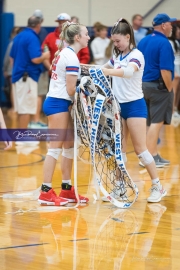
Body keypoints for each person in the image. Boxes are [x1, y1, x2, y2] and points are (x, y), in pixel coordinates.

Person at [101, 18, 166, 203]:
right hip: (118, 107)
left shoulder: (136, 55)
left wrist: (108, 72)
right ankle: (119, 187)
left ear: (128, 37)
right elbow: (102, 68)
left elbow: (128, 72)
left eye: (118, 41)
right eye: (113, 41)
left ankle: (157, 186)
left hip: (135, 106)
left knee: (141, 150)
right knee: (118, 150)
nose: (116, 44)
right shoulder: (117, 56)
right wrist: (83, 69)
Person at [38, 21, 90, 206]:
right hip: (58, 104)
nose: (88, 37)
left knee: (69, 146)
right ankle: (45, 191)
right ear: (77, 37)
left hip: (60, 103)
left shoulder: (65, 53)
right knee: (54, 148)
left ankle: (66, 189)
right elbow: (70, 89)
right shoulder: (71, 57)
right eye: (86, 34)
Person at [138, 13, 176, 166]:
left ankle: (150, 154)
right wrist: (170, 89)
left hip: (143, 85)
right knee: (157, 122)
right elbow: (165, 70)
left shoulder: (143, 41)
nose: (172, 27)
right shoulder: (164, 43)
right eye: (170, 24)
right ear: (164, 25)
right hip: (158, 86)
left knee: (148, 122)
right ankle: (150, 158)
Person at [10, 16, 50, 129]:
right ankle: (22, 136)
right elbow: (35, 59)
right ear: (38, 25)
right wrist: (45, 56)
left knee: (22, 107)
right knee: (26, 108)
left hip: (18, 76)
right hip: (27, 77)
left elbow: (11, 58)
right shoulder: (32, 37)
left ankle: (21, 134)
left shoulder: (18, 36)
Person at [28, 9, 49, 129]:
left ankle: (33, 120)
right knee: (39, 95)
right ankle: (35, 121)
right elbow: (43, 52)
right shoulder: (41, 32)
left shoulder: (26, 34)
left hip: (33, 70)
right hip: (39, 69)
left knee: (34, 95)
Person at [3, 27, 22, 114]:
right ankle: (17, 108)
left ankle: (15, 108)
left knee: (13, 90)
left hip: (12, 70)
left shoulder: (12, 43)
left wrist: (5, 69)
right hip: (18, 70)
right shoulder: (22, 43)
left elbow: (7, 57)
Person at [169, 24, 180, 126]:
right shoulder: (170, 42)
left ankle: (175, 109)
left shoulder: (176, 42)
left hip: (178, 66)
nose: (179, 31)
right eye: (178, 30)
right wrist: (174, 72)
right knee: (174, 91)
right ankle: (172, 112)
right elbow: (170, 58)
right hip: (175, 67)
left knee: (178, 91)